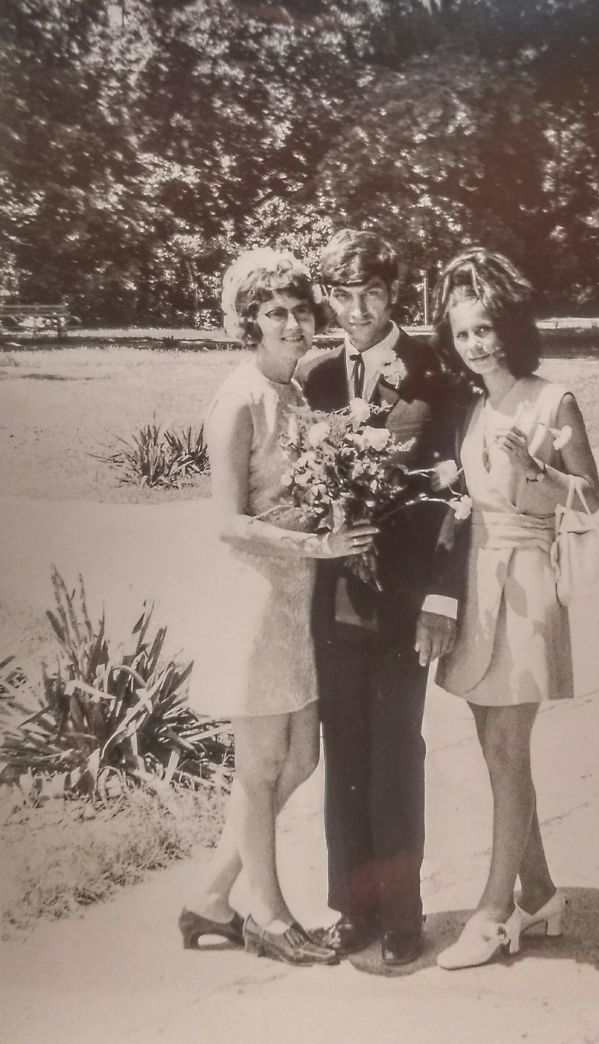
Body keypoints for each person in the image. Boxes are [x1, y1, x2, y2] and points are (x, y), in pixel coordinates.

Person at [178, 248, 377, 966]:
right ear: (248, 323)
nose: (292, 324)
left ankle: (210, 896)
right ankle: (266, 914)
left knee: (298, 762)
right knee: (261, 767)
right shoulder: (238, 399)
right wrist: (314, 549)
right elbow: (227, 520)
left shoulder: (294, 394)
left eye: (299, 310)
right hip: (256, 597)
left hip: (298, 600)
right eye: (274, 313)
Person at [300, 229, 468, 966]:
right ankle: (353, 909)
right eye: (343, 293)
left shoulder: (436, 369)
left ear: (393, 291)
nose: (358, 307)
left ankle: (403, 915)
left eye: (370, 291)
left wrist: (442, 597)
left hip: (406, 599)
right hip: (333, 595)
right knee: (346, 751)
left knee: (395, 748)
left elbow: (462, 492)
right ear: (328, 298)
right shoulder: (313, 376)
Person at [431, 246, 599, 970]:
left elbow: (590, 498)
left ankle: (495, 914)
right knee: (497, 748)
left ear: (511, 326)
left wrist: (538, 472)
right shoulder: (472, 404)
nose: (476, 343)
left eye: (487, 328)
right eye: (464, 332)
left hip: (527, 581)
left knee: (506, 748)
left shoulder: (551, 398)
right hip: (477, 582)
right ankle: (541, 890)